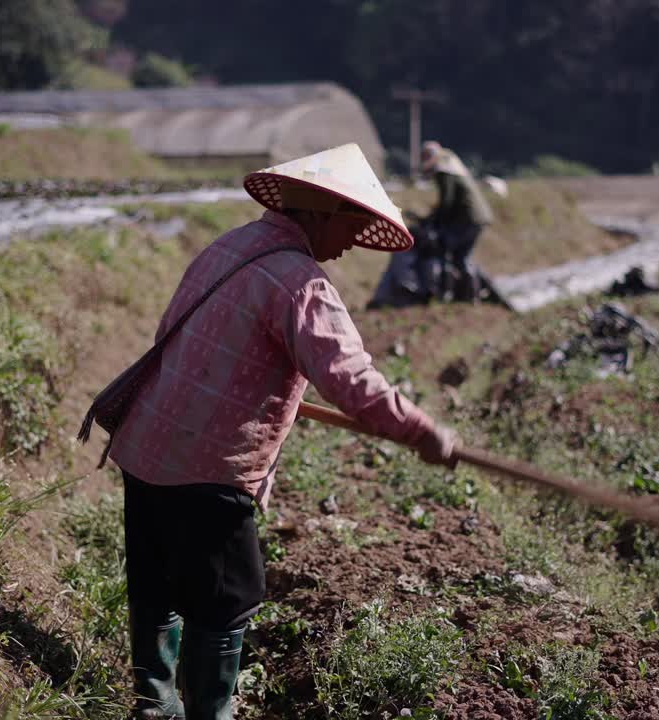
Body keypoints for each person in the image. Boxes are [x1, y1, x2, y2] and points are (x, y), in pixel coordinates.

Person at [102, 143, 458, 719]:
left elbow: (175, 339)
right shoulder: (300, 284)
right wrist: (420, 429)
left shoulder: (226, 247)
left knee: (156, 583)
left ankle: (155, 703)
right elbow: (350, 380)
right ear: (320, 212)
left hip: (147, 447)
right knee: (225, 603)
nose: (350, 246)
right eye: (353, 227)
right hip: (209, 471)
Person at [420, 141, 495, 302]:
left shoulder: (443, 172)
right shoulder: (453, 167)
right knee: (462, 256)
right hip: (478, 217)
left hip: (468, 217)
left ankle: (450, 294)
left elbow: (447, 201)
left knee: (449, 251)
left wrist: (434, 221)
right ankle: (472, 296)